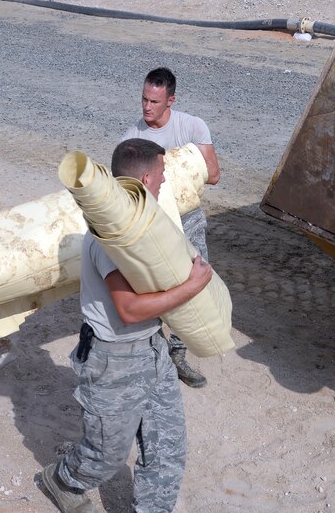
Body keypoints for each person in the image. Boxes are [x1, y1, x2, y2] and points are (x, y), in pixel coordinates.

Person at [42, 138, 213, 513]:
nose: (166, 182)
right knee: (106, 455)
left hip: (152, 348)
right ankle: (62, 479)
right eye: (163, 175)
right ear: (148, 177)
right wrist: (192, 287)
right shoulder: (111, 238)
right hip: (112, 359)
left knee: (167, 447)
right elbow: (129, 309)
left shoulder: (142, 225)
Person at [120, 67, 221, 389]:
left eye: (154, 101)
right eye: (143, 99)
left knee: (192, 287)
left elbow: (214, 175)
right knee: (151, 289)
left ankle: (178, 354)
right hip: (154, 226)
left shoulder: (192, 127)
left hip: (188, 220)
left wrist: (174, 166)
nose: (146, 108)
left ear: (171, 100)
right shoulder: (131, 139)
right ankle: (152, 350)